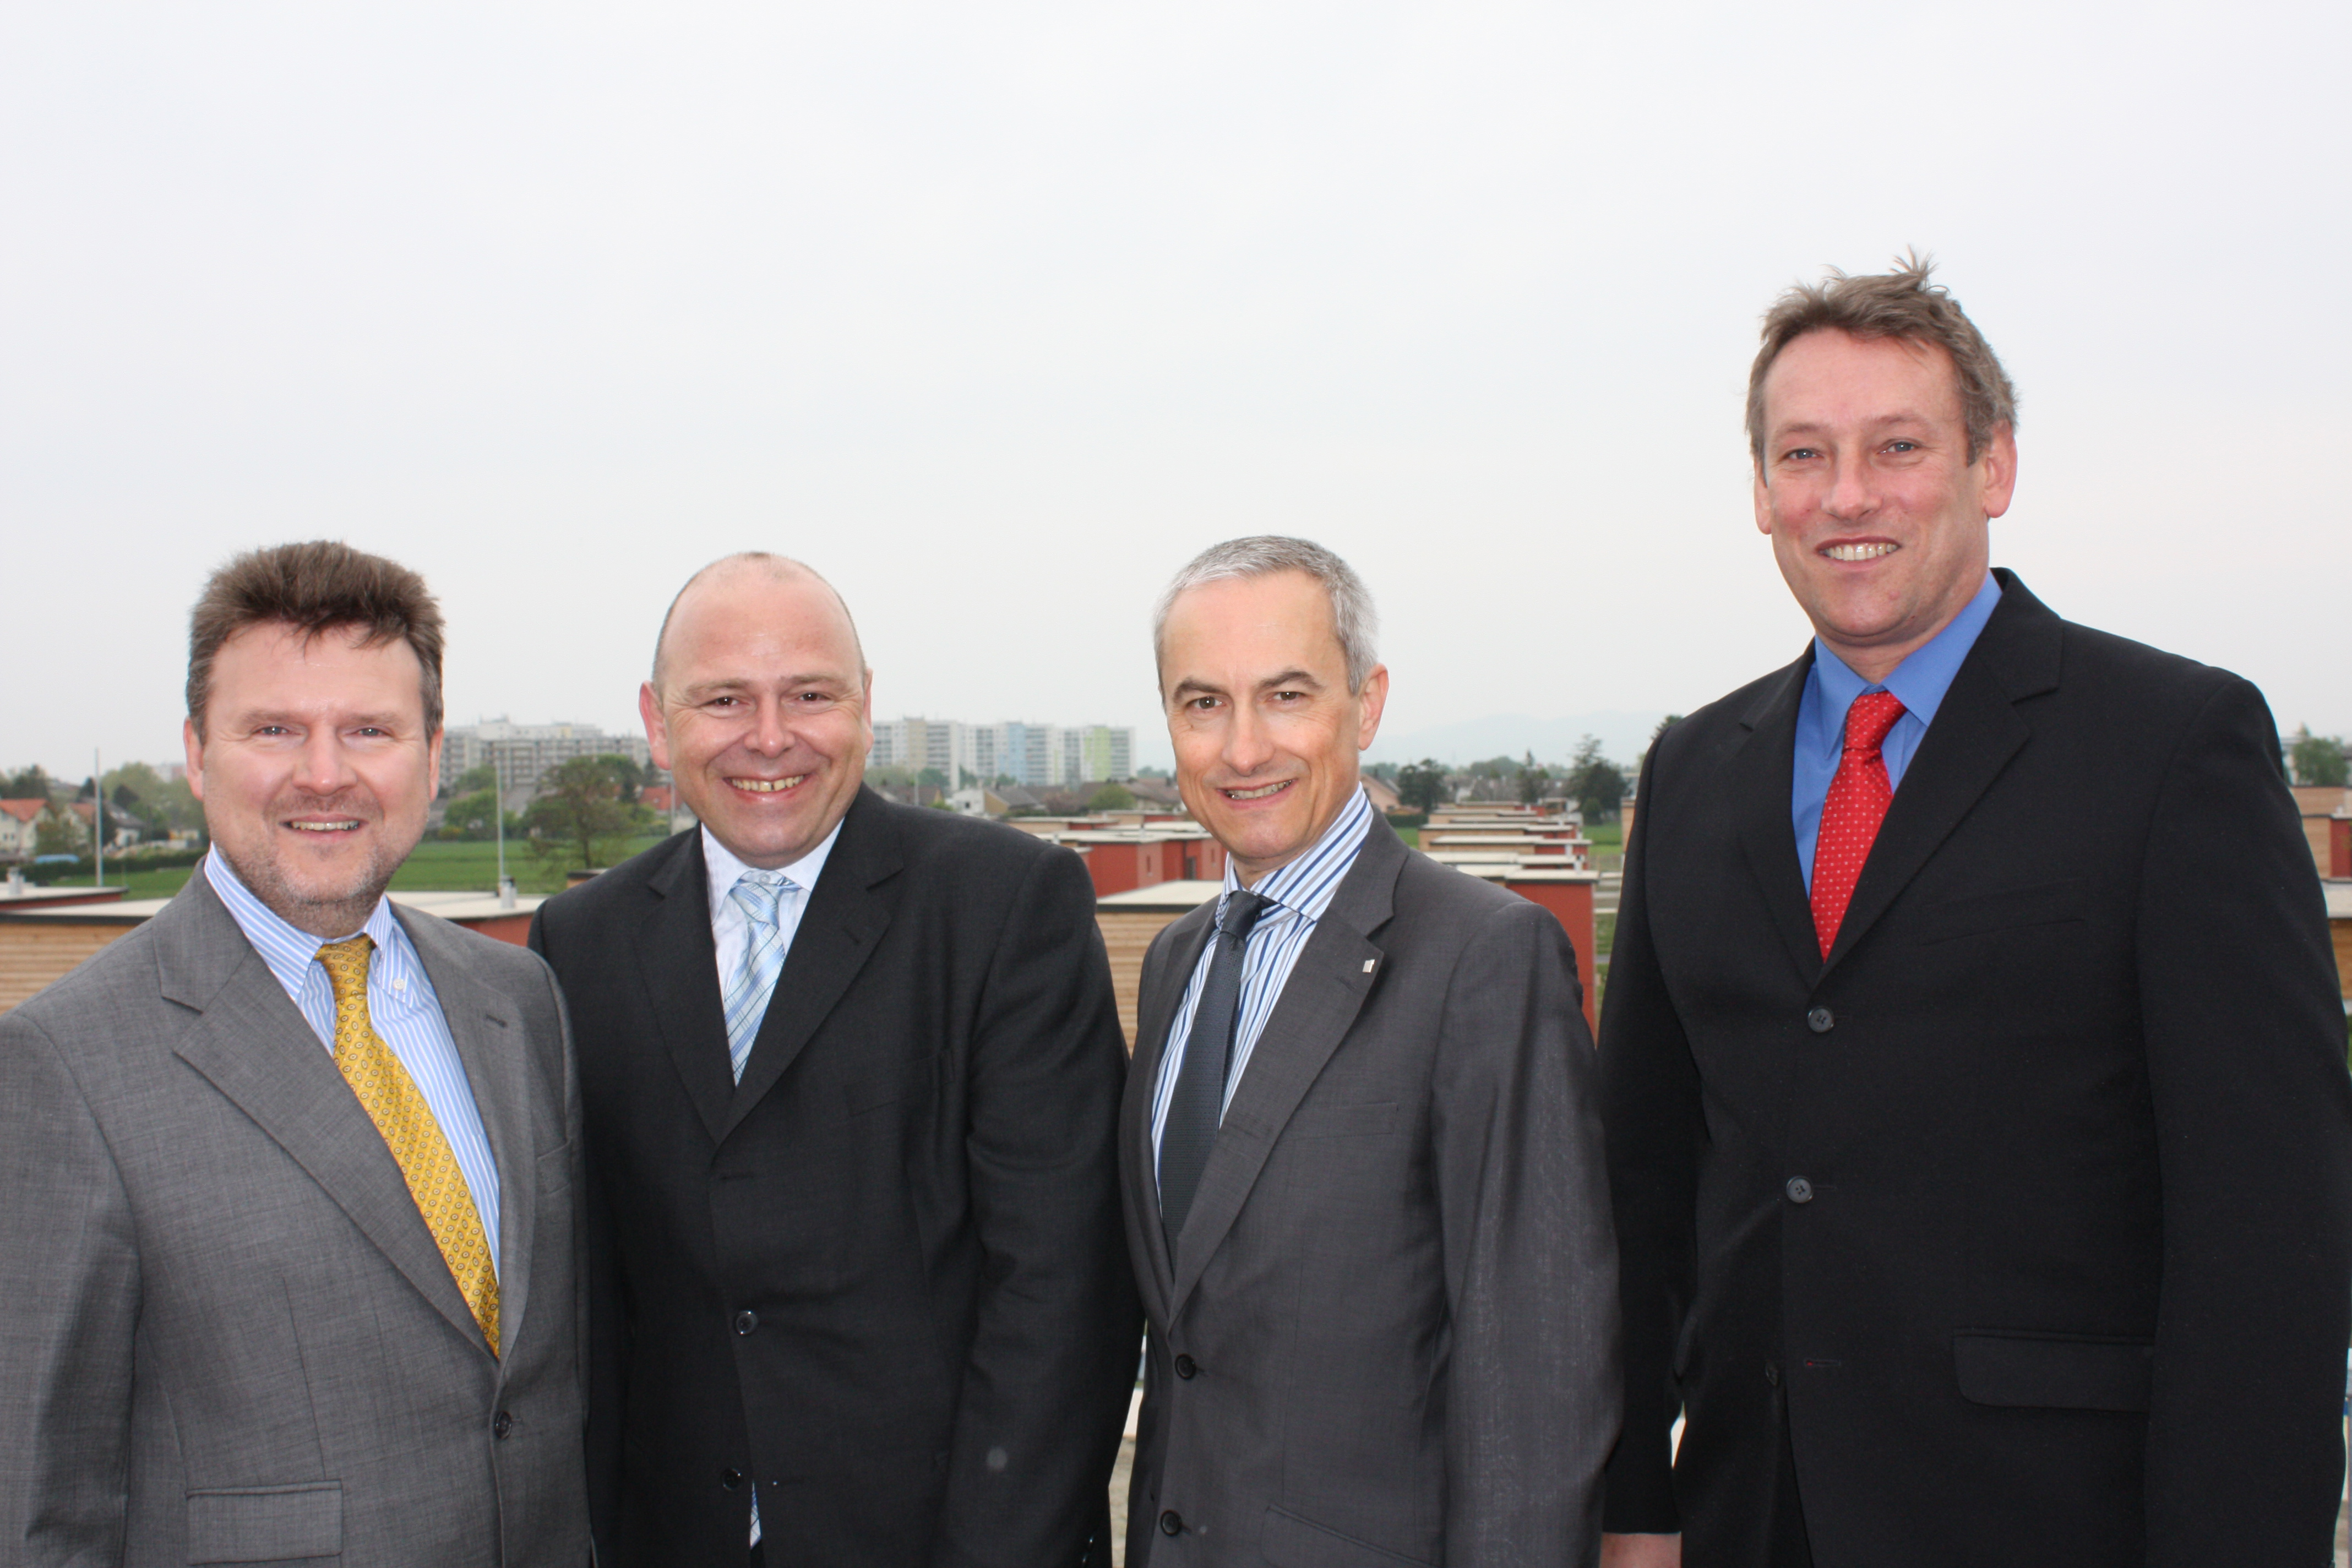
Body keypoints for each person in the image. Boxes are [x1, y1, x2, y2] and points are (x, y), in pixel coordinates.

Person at [1599, 258, 2352, 1567]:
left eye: (1897, 446)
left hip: (2059, 1522)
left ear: (1992, 467)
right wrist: (1634, 1505)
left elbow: (2270, 1224)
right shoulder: (1692, 771)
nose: (1847, 495)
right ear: (1763, 491)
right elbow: (1641, 1185)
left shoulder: (2173, 747)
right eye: (1804, 453)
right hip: (1748, 1519)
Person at [529, 552, 1138, 1567]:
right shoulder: (580, 942)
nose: (771, 736)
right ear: (656, 721)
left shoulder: (1005, 905)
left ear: (866, 706)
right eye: (724, 698)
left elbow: (1065, 1290)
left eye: (810, 694)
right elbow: (590, 1305)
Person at [0, 541, 589, 1565]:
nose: (324, 774)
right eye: (274, 729)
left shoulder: (519, 999)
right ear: (197, 753)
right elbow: (39, 1503)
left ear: (432, 756)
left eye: (370, 729)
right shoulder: (64, 1065)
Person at [1120, 535, 1620, 1567]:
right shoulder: (1176, 963)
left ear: (1368, 703)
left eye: (1287, 696)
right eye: (1204, 703)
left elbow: (1540, 1375)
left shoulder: (1484, 957)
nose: (1244, 749)